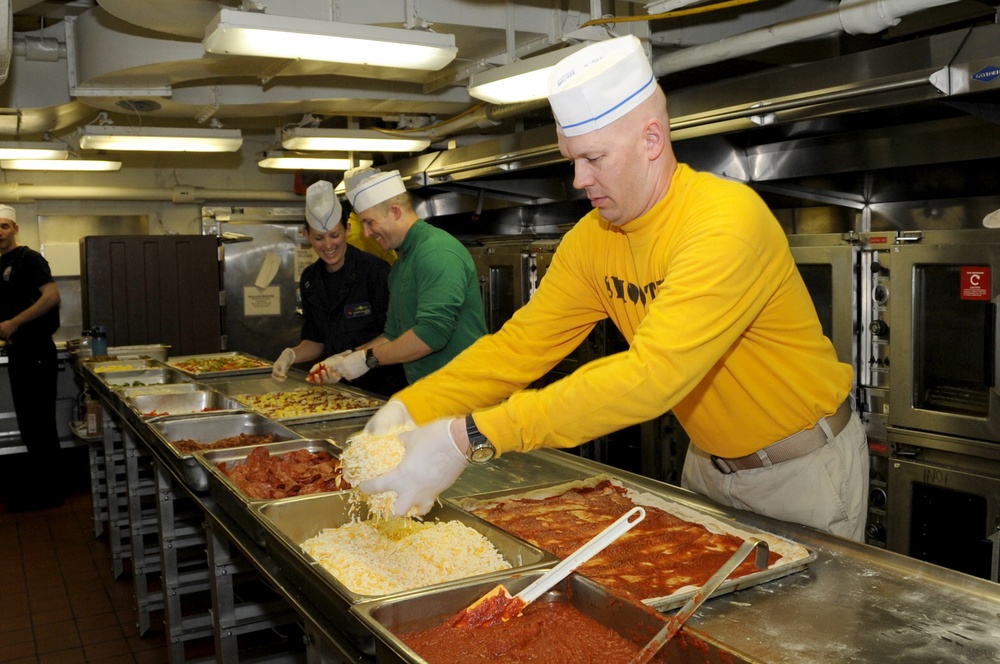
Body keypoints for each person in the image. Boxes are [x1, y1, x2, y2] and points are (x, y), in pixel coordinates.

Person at [358, 35, 870, 542]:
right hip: (707, 466)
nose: (579, 179)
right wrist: (412, 407)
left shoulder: (724, 223)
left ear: (651, 140)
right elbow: (519, 349)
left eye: (594, 159)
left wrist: (471, 436)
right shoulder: (593, 239)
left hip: (804, 468)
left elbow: (652, 376)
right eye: (572, 159)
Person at [308, 168, 487, 387]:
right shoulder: (401, 265)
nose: (366, 234)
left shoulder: (437, 252)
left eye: (369, 222)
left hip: (464, 391)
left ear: (395, 211)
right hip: (428, 393)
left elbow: (432, 334)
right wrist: (345, 358)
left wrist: (369, 359)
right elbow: (393, 334)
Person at [271, 179, 406, 397]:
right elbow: (316, 341)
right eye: (319, 238)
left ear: (348, 229)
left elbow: (394, 333)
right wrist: (291, 355)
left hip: (384, 387)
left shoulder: (375, 271)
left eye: (335, 235)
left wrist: (347, 359)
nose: (328, 245)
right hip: (340, 392)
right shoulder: (310, 280)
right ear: (306, 236)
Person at [0, 204, 63, 511]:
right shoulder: (1, 264)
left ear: (15, 228)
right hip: (18, 351)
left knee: (40, 422)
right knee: (28, 422)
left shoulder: (28, 259)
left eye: (4, 226)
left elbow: (52, 297)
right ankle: (41, 488)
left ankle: (50, 493)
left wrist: (15, 323)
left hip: (37, 350)